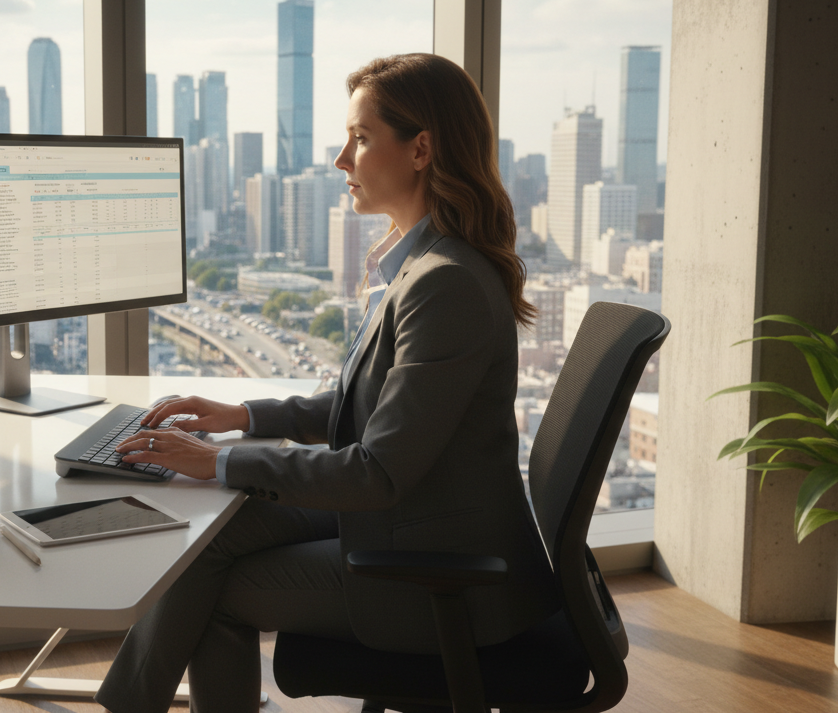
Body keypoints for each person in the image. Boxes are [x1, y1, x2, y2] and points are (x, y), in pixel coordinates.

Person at [95, 53, 557, 713]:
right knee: (209, 541)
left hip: (436, 574)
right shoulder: (422, 262)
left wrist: (216, 460)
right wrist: (241, 417)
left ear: (421, 149)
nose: (343, 159)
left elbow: (376, 472)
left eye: (361, 138)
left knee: (211, 590)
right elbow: (358, 411)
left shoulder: (444, 282)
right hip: (408, 521)